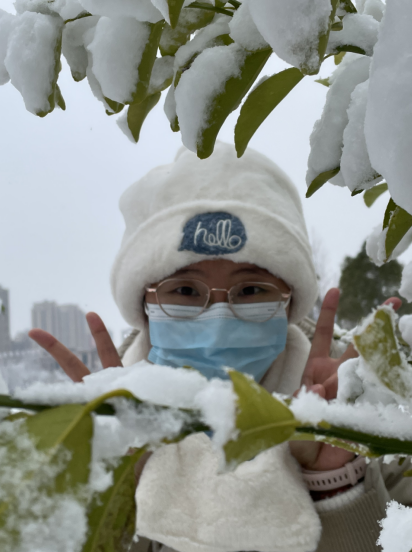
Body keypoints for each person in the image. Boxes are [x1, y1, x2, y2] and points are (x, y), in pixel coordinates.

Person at [30, 143, 411, 552]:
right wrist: (118, 488)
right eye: (184, 290)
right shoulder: (99, 434)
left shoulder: (371, 423)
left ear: (289, 301)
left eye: (250, 290)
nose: (217, 320)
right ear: (143, 305)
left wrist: (338, 481)